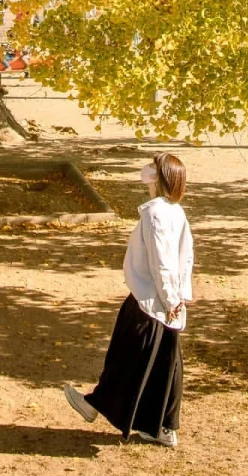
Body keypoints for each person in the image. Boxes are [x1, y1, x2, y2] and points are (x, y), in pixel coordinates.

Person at [63, 152, 193, 448]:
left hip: (151, 299)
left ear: (160, 178)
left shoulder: (156, 214)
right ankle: (159, 426)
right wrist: (178, 297)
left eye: (153, 167)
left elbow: (163, 261)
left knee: (128, 357)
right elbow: (184, 258)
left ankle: (98, 407)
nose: (146, 170)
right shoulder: (173, 211)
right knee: (163, 364)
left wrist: (172, 299)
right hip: (164, 300)